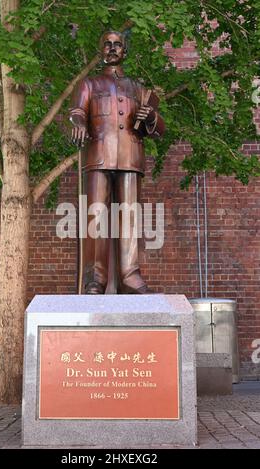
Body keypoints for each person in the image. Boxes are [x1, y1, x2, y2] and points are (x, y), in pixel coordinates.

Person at [70, 30, 165, 294]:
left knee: (129, 218)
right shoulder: (89, 84)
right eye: (107, 44)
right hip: (98, 157)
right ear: (101, 50)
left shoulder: (138, 88)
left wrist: (150, 118)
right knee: (96, 218)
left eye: (117, 45)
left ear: (125, 51)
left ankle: (130, 276)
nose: (112, 48)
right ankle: (95, 279)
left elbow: (159, 130)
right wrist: (77, 122)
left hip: (130, 158)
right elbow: (77, 111)